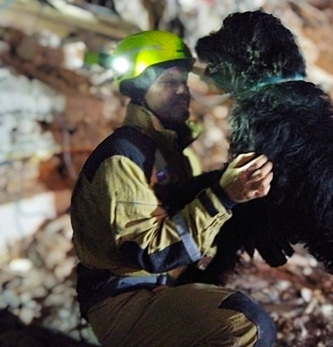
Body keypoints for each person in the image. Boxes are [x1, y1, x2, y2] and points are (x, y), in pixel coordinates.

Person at [70, 30, 276, 347]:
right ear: (139, 89)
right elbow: (151, 251)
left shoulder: (174, 153)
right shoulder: (124, 157)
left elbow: (189, 225)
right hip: (123, 300)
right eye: (168, 82)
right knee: (243, 325)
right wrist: (223, 196)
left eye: (183, 81)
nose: (183, 91)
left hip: (165, 283)